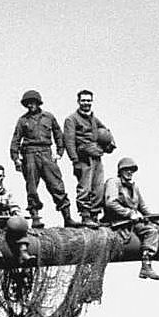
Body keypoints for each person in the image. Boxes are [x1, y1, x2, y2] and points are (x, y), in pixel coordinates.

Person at [102, 157, 159, 280]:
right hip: (118, 221)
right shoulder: (113, 182)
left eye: (132, 170)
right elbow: (110, 203)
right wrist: (129, 213)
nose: (130, 172)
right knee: (150, 232)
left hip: (133, 220)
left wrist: (155, 217)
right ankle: (146, 267)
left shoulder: (134, 187)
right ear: (120, 171)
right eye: (127, 169)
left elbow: (142, 207)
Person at [10, 89, 78, 229]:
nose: (30, 105)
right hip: (29, 154)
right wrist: (16, 158)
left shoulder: (49, 117)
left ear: (38, 103)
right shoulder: (23, 120)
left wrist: (59, 153)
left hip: (46, 153)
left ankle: (67, 218)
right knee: (32, 188)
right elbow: (15, 140)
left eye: (33, 102)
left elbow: (59, 135)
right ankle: (35, 218)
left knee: (56, 185)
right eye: (28, 103)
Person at [63, 89, 116, 228]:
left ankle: (94, 216)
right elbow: (68, 141)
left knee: (98, 188)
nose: (86, 103)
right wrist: (75, 161)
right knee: (84, 188)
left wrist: (110, 144)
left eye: (88, 100)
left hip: (97, 157)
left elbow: (106, 132)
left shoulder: (93, 119)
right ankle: (85, 216)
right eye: (83, 100)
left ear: (92, 101)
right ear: (78, 101)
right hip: (83, 158)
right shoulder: (71, 119)